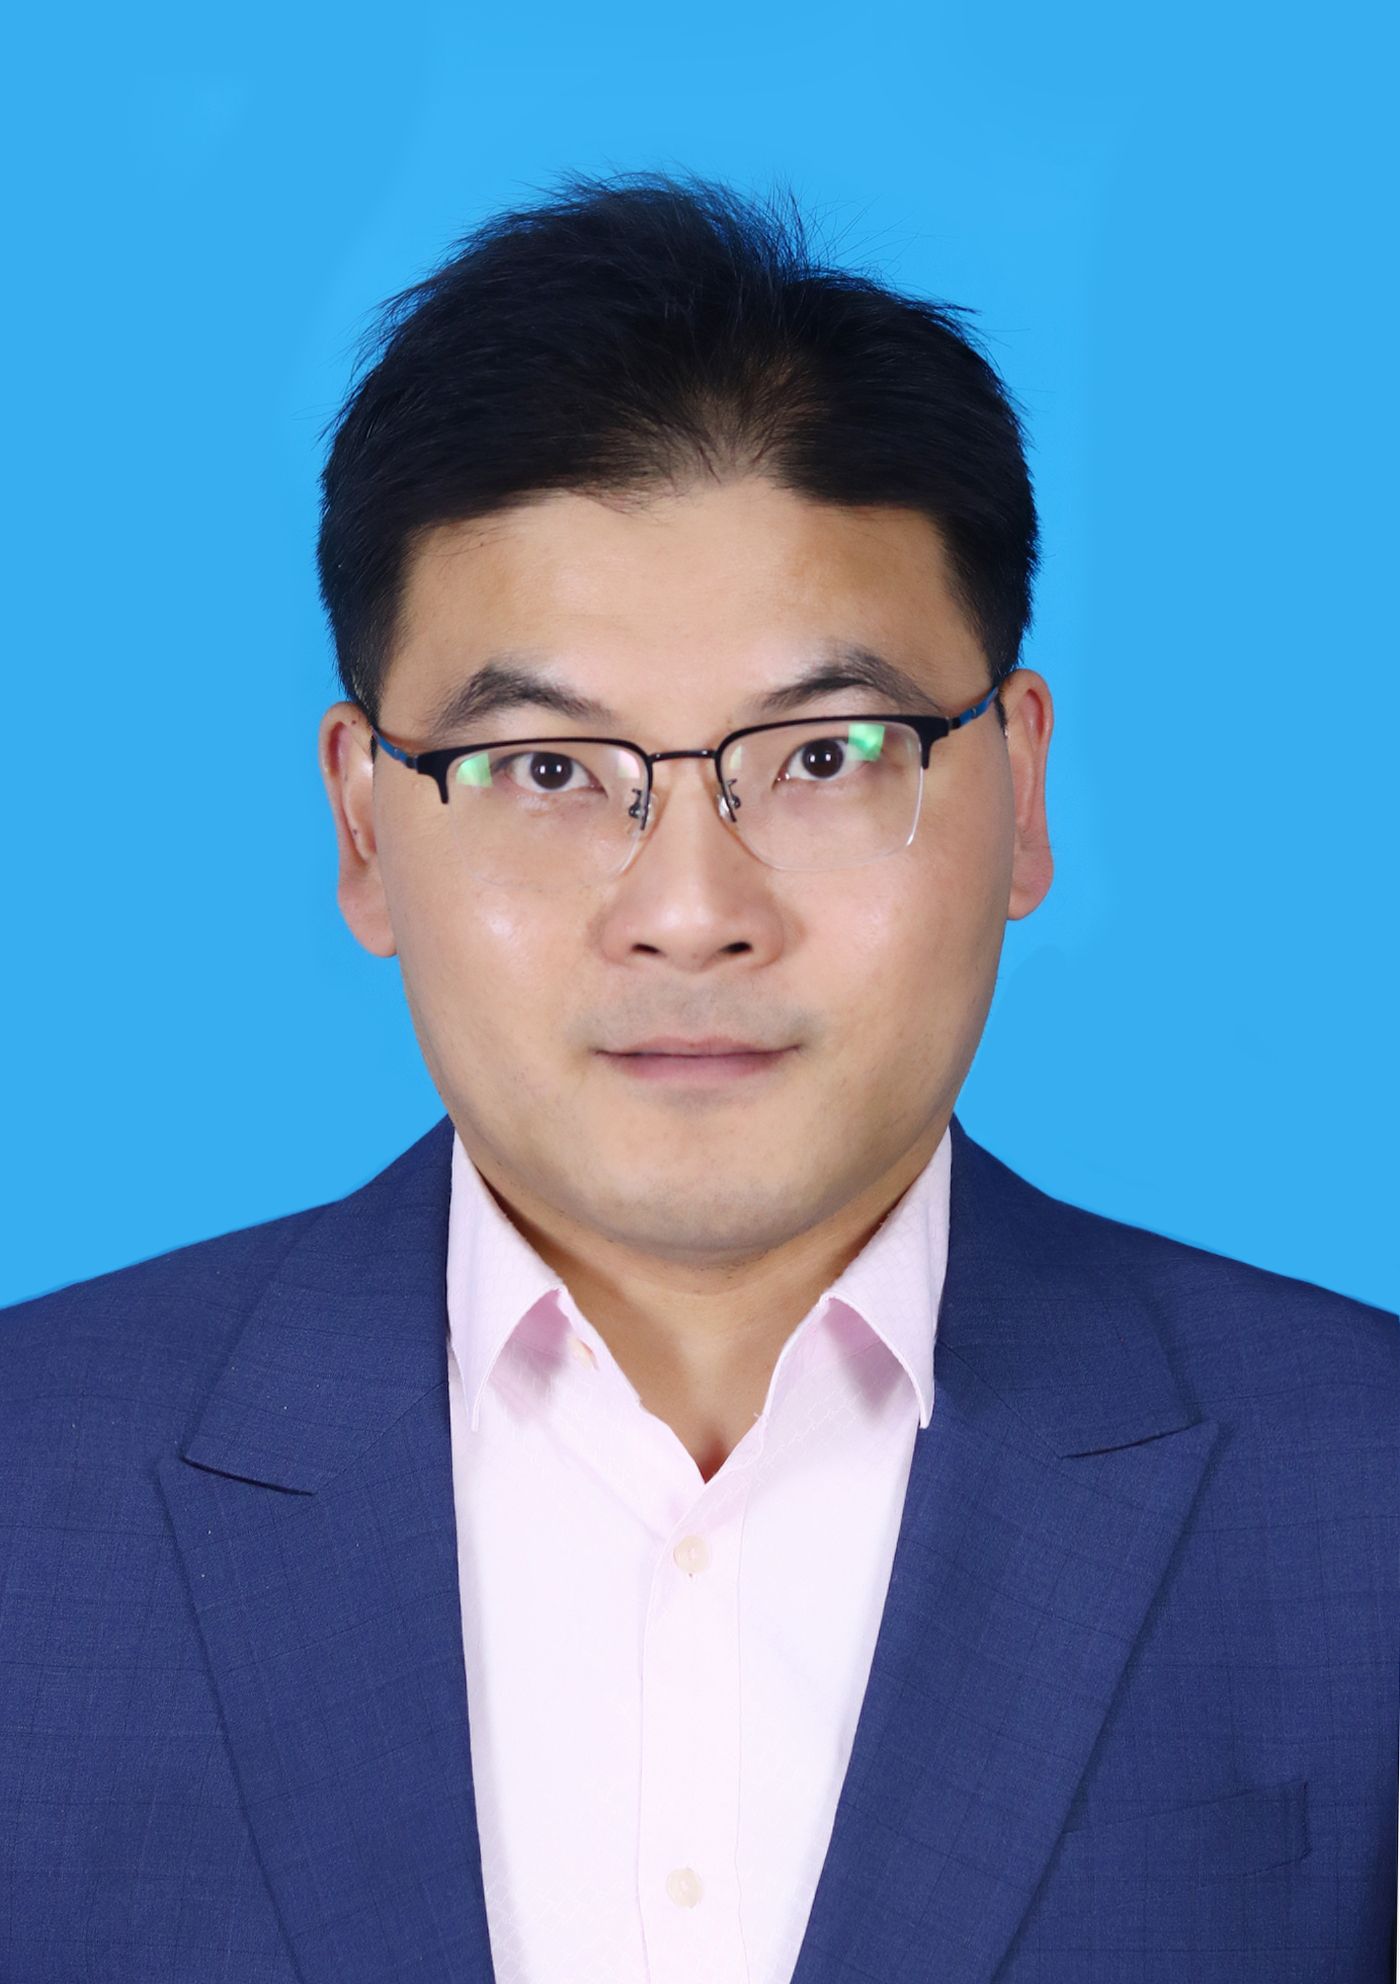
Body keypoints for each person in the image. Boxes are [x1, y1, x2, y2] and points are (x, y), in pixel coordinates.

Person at [1, 171, 1395, 1984]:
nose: (688, 912)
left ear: (1021, 792)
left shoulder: (1360, 1487)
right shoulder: (34, 1491)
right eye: (546, 770)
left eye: (825, 754)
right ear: (362, 825)